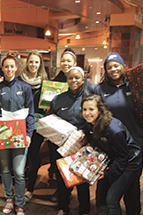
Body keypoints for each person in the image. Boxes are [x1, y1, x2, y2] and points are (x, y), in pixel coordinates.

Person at [93, 52, 143, 214]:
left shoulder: (134, 87)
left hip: (134, 146)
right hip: (110, 146)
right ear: (105, 70)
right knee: (106, 186)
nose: (113, 69)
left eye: (116, 65)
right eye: (109, 67)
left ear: (123, 67)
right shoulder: (100, 89)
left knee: (132, 190)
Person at [81, 94, 142, 215]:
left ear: (99, 110)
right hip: (114, 159)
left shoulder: (113, 130)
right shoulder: (91, 124)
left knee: (112, 198)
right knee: (101, 195)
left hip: (131, 162)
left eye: (91, 109)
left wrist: (109, 173)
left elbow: (123, 156)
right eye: (84, 109)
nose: (87, 113)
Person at [0, 54, 35, 215]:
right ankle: (9, 198)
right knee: (5, 169)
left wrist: (29, 134)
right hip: (2, 135)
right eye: (6, 66)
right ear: (2, 68)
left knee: (20, 172)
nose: (9, 69)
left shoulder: (25, 88)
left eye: (12, 66)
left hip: (20, 135)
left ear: (17, 68)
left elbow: (31, 113)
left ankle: (20, 204)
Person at [49, 66, 92, 215]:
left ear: (83, 79)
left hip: (82, 147)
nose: (74, 81)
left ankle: (84, 210)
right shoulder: (58, 99)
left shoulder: (89, 99)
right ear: (67, 80)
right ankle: (63, 207)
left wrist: (85, 132)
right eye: (70, 78)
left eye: (77, 78)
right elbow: (51, 120)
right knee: (63, 180)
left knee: (82, 180)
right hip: (62, 147)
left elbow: (95, 121)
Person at [16, 51, 49, 202]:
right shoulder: (18, 81)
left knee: (34, 157)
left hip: (38, 125)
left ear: (40, 64)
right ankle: (18, 188)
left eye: (36, 62)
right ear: (26, 63)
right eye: (31, 62)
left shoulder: (46, 83)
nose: (33, 65)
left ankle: (30, 189)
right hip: (19, 124)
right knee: (19, 157)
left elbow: (49, 105)